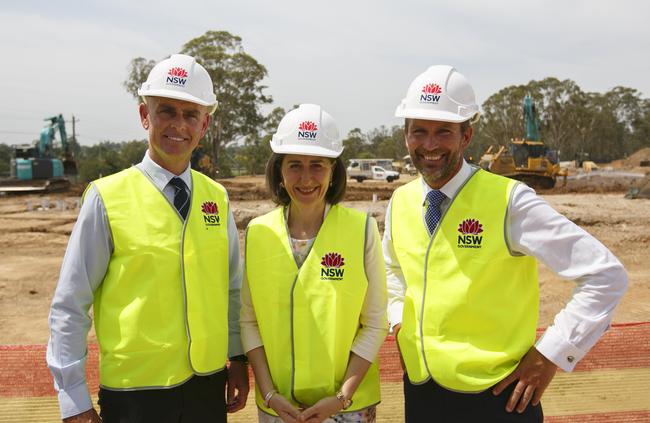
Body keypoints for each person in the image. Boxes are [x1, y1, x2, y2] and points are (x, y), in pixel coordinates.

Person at [384, 65, 628, 422]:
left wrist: (551, 354)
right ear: (405, 135)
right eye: (419, 131)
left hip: (497, 398)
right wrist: (399, 322)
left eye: (444, 132)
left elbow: (606, 276)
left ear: (466, 136)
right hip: (422, 392)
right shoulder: (400, 201)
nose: (430, 144)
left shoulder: (510, 201)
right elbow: (393, 269)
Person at [47, 54, 248, 423]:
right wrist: (73, 398)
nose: (178, 125)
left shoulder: (216, 197)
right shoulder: (107, 197)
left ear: (204, 124)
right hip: (134, 397)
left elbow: (233, 288)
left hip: (207, 389)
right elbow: (70, 305)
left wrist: (237, 357)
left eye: (190, 115)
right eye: (166, 111)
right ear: (145, 116)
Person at [240, 104, 388, 423]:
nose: (306, 178)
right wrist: (269, 394)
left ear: (334, 170)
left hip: (347, 409)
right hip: (279, 408)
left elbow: (375, 322)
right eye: (295, 165)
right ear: (279, 170)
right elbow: (250, 322)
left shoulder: (361, 230)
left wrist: (341, 397)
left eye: (317, 165)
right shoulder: (258, 233)